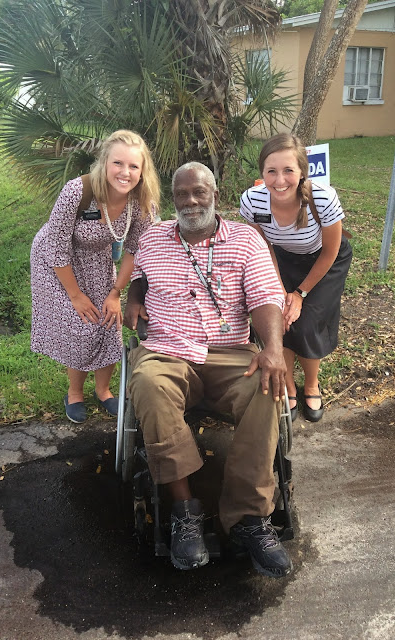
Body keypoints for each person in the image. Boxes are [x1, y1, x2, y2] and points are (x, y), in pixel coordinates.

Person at [124, 162, 293, 578]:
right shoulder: (153, 237)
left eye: (199, 192)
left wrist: (273, 349)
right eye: (182, 194)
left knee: (266, 387)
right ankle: (185, 510)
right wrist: (134, 297)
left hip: (229, 351)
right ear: (173, 199)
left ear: (215, 196)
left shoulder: (245, 240)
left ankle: (249, 517)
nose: (190, 201)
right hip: (166, 349)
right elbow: (140, 274)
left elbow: (266, 298)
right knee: (148, 383)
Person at [30, 129, 160, 424]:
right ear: (104, 162)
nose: (125, 172)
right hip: (56, 261)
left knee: (108, 320)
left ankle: (103, 391)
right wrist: (75, 295)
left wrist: (116, 292)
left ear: (142, 171)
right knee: (81, 323)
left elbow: (134, 250)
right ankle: (74, 393)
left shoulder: (142, 202)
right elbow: (56, 248)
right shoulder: (77, 192)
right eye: (118, 163)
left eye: (133, 166)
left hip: (98, 256)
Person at [240, 133, 352, 423]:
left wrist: (300, 294)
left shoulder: (323, 198)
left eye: (288, 170)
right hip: (280, 259)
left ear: (303, 171)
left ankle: (311, 385)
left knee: (309, 323)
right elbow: (264, 248)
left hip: (323, 260)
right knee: (281, 319)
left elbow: (331, 251)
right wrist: (280, 291)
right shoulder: (252, 201)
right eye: (271, 171)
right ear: (262, 172)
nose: (279, 180)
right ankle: (288, 385)